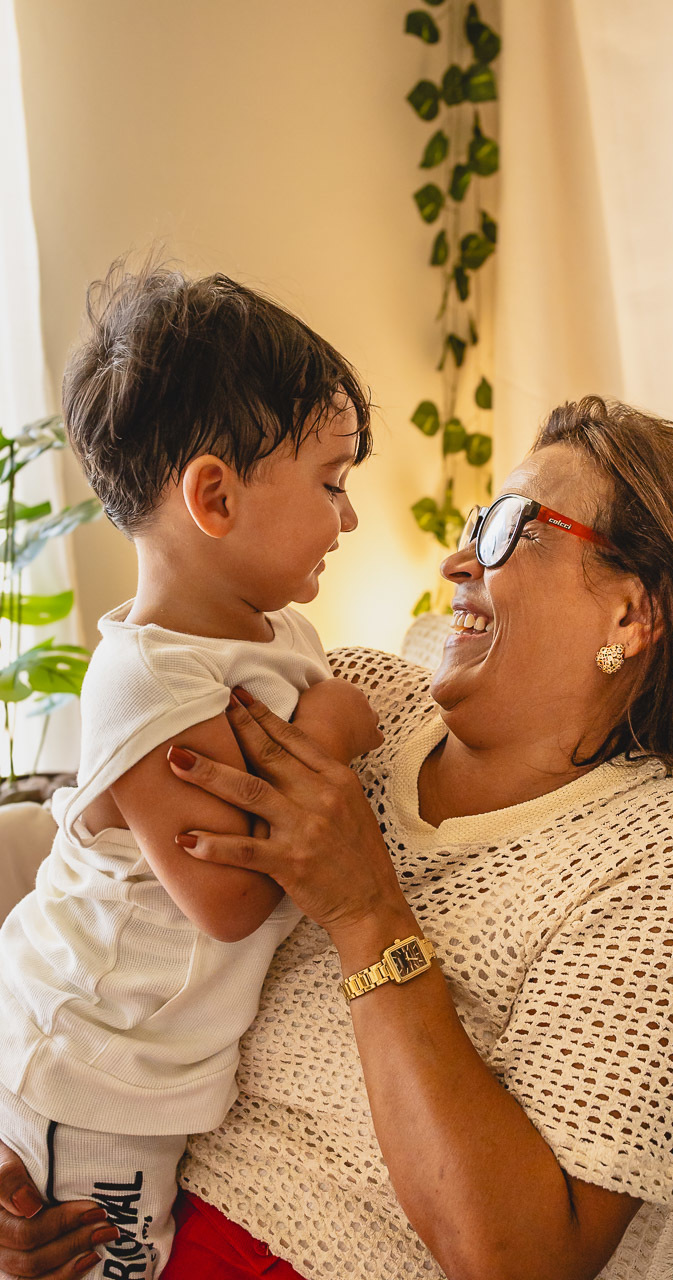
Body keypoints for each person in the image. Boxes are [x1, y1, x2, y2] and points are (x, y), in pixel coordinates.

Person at [0, 397, 673, 1280]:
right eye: (478, 521)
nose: (457, 557)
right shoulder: (350, 696)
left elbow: (525, 1261)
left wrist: (367, 913)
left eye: (512, 528)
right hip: (119, 1197)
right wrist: (20, 1145)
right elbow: (102, 916)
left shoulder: (670, 854)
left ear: (631, 616)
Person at [0, 261, 382, 1279]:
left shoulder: (271, 632)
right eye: (332, 482)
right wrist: (333, 735)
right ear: (212, 494)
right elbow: (222, 895)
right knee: (112, 1265)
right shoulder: (148, 681)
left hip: (146, 1064)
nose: (348, 519)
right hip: (87, 1068)